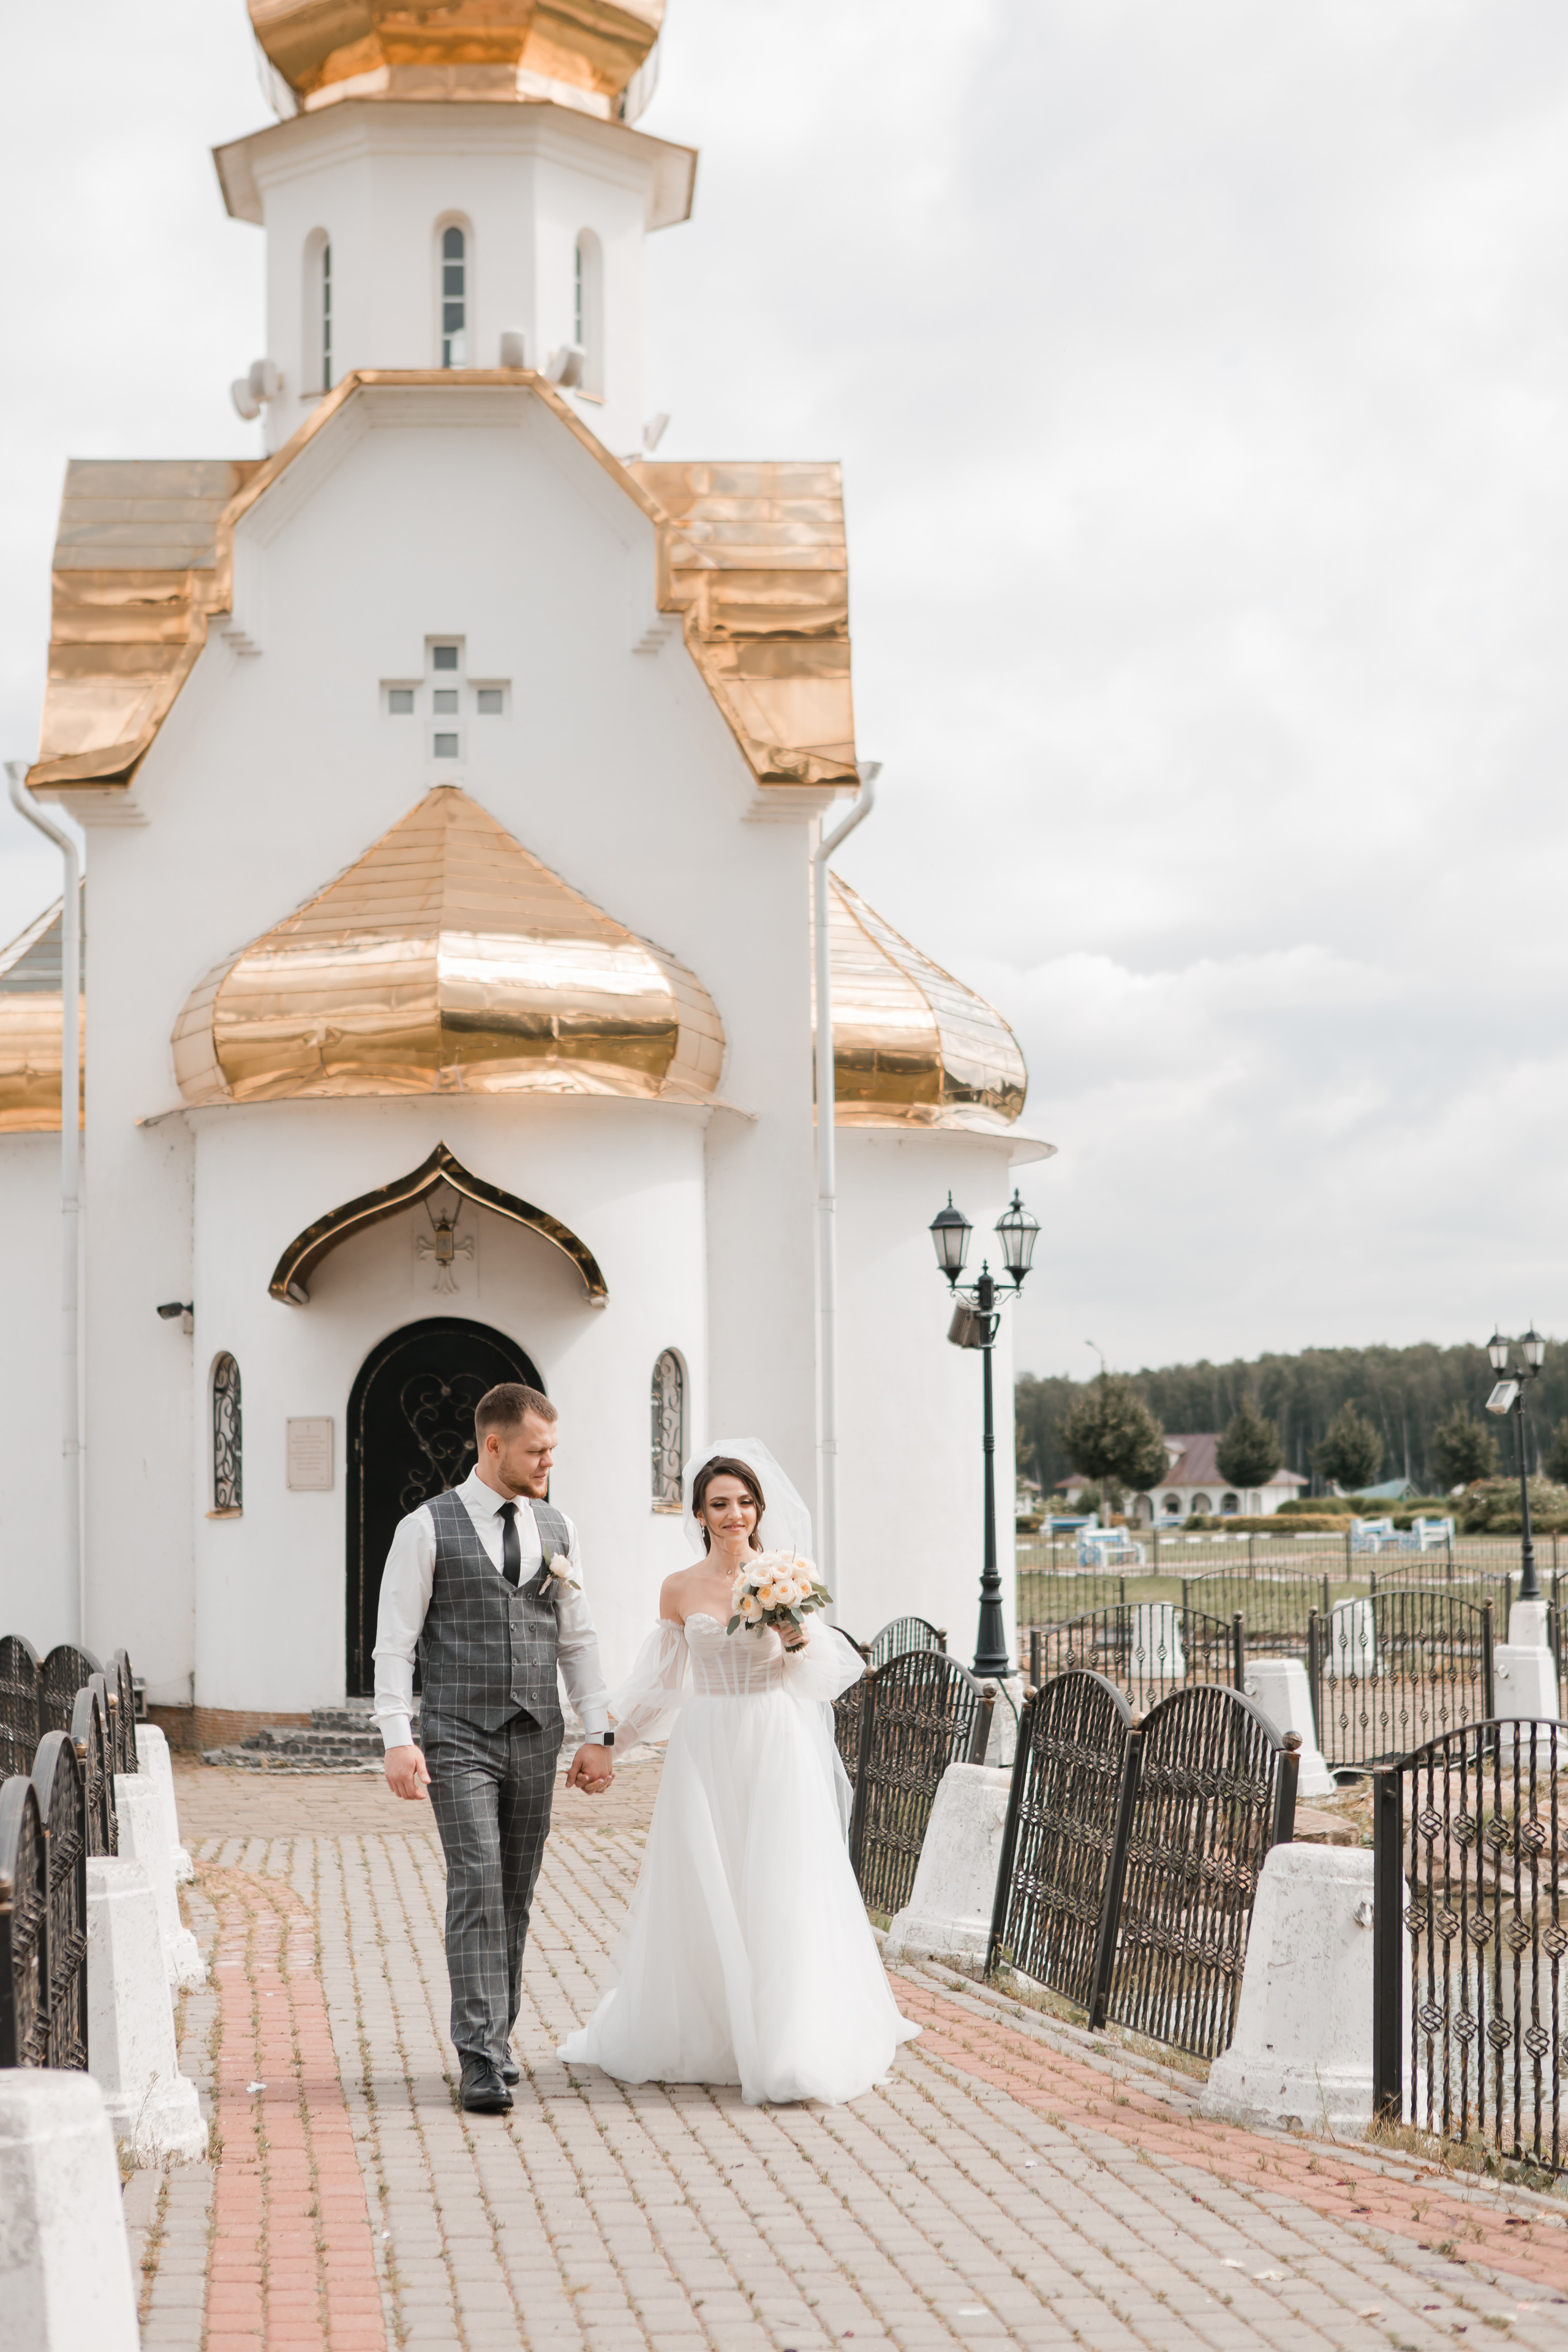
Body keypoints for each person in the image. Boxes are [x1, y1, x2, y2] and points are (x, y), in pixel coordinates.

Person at [559, 1438, 919, 2106]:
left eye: (745, 1503)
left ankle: (790, 2041)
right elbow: (658, 1685)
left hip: (772, 1737)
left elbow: (819, 1681)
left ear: (759, 1510)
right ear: (697, 1513)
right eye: (720, 1504)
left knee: (779, 1883)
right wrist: (605, 1742)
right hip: (706, 1742)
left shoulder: (787, 1577)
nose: (735, 1516)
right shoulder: (678, 1589)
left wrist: (797, 1640)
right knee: (704, 1882)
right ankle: (707, 2031)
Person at [374, 1382, 616, 2115]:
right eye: (537, 1450)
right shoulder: (425, 1528)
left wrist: (597, 1731)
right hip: (458, 1732)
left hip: (536, 1734)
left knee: (514, 1892)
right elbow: (395, 1644)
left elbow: (577, 1639)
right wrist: (397, 1738)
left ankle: (498, 2042)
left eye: (552, 1450)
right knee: (476, 1883)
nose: (548, 1461)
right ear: (493, 1446)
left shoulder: (558, 1525)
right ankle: (478, 2056)